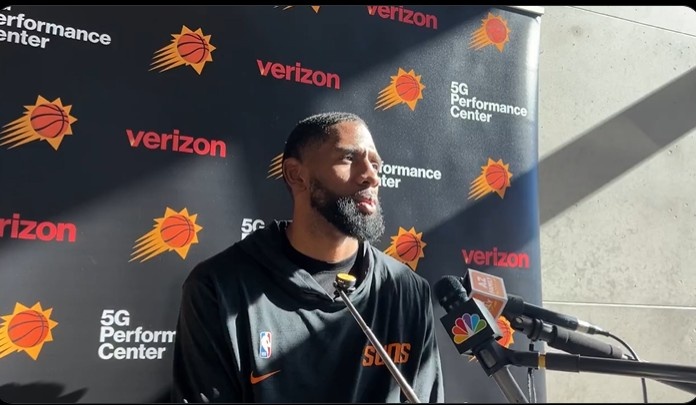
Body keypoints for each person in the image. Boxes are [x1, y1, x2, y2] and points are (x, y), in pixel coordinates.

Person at [171, 112, 444, 403]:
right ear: (296, 175)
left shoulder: (408, 291)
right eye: (348, 158)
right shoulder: (218, 288)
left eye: (375, 164)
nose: (371, 176)